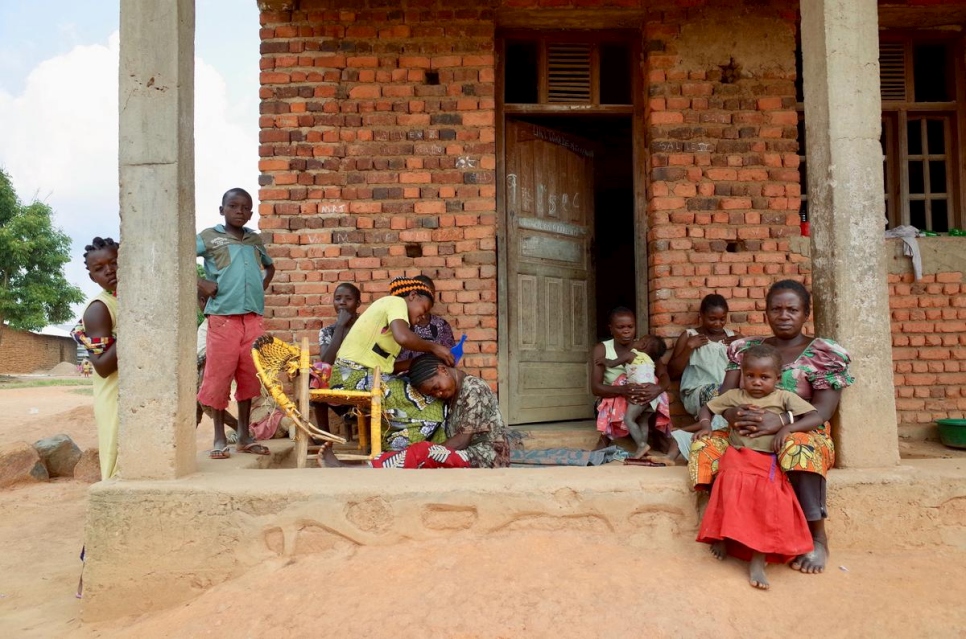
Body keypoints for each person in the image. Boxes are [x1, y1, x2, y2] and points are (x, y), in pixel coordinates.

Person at [689, 279, 854, 575]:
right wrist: (734, 414)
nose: (784, 315)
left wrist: (781, 422)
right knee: (706, 446)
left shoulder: (824, 354)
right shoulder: (746, 349)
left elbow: (824, 411)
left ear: (806, 313)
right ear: (766, 313)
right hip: (745, 430)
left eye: (792, 309)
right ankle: (726, 526)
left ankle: (817, 538)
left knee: (799, 450)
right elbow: (724, 399)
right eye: (776, 308)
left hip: (802, 429)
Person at [328, 276, 456, 452]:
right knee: (430, 401)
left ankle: (405, 449)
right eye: (424, 309)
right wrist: (434, 348)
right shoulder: (395, 303)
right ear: (413, 296)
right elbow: (403, 337)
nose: (422, 317)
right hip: (352, 375)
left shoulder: (392, 326)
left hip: (365, 377)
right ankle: (408, 451)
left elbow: (389, 367)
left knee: (425, 399)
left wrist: (417, 362)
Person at [319, 353, 509, 469]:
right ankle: (364, 466)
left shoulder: (473, 389)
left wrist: (425, 454)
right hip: (468, 454)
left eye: (436, 387)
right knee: (420, 453)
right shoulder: (454, 394)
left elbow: (462, 440)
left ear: (442, 369)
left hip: (485, 458)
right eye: (433, 392)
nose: (439, 393)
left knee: (423, 452)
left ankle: (348, 468)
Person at [197, 188, 276, 459]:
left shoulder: (254, 239)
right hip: (223, 319)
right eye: (233, 206)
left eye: (245, 208)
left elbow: (270, 266)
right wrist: (201, 283)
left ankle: (244, 435)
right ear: (222, 210)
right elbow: (179, 257)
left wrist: (260, 287)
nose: (239, 211)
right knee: (219, 377)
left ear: (251, 213)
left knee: (249, 377)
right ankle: (219, 437)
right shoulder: (209, 237)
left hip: (252, 319)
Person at [71, 237, 120, 481]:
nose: (109, 271)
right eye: (99, 269)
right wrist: (135, 327)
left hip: (138, 393)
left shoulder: (129, 300)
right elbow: (102, 367)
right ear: (92, 277)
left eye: (114, 262)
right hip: (115, 396)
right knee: (118, 456)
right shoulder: (99, 308)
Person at [591, 307, 671, 454]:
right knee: (624, 388)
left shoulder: (646, 347)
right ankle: (605, 438)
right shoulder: (602, 349)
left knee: (657, 391)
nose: (626, 331)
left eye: (630, 327)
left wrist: (657, 389)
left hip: (639, 397)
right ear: (611, 329)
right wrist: (623, 390)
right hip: (613, 397)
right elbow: (595, 388)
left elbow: (664, 376)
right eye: (620, 327)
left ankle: (660, 436)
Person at [667, 294, 740, 420]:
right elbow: (672, 373)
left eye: (722, 319)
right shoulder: (689, 336)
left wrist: (743, 345)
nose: (718, 324)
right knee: (719, 395)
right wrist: (689, 348)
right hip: (698, 392)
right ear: (701, 315)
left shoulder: (734, 337)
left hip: (728, 392)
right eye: (712, 319)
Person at [313, 282, 362, 435]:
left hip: (363, 378)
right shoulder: (327, 331)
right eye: (338, 298)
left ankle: (355, 413)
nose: (342, 302)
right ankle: (324, 434)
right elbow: (326, 361)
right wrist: (340, 326)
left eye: (348, 299)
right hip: (337, 384)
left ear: (358, 303)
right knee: (317, 372)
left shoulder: (365, 327)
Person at [393, 274, 457, 374]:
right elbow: (389, 365)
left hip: (433, 380)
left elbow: (450, 361)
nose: (429, 298)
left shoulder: (441, 325)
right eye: (425, 294)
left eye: (431, 294)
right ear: (413, 295)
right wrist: (432, 349)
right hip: (401, 378)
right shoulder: (398, 323)